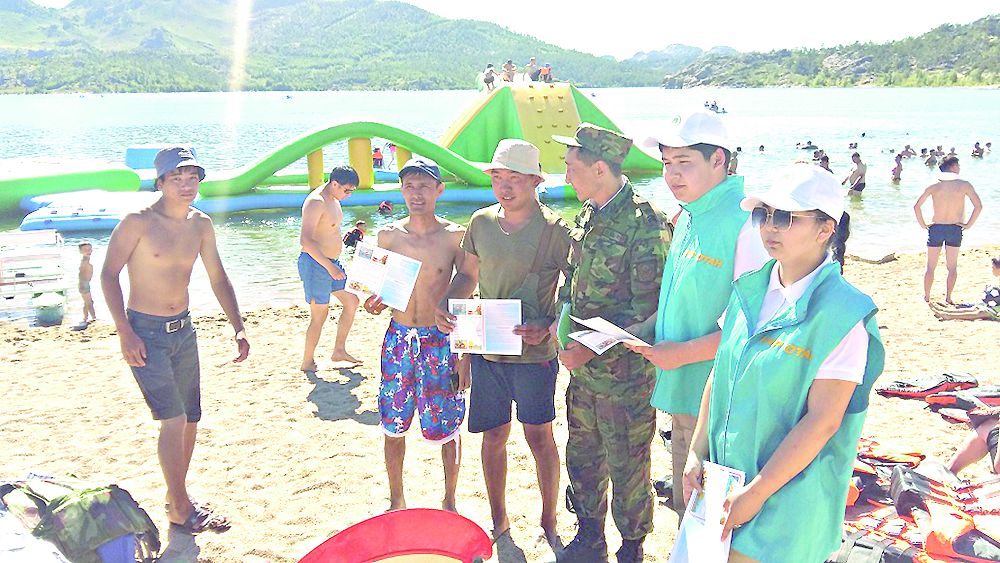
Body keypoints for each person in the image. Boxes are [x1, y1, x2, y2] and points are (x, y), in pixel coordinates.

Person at [683, 163, 884, 563]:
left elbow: (823, 421)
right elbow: (719, 373)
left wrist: (756, 493)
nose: (770, 227)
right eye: (765, 214)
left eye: (786, 217)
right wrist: (695, 451)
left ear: (826, 229)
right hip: (726, 481)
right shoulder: (750, 288)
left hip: (788, 494)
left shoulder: (843, 314)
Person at [101, 146, 248, 534]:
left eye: (192, 177)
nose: (186, 185)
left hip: (183, 330)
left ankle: (176, 499)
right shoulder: (138, 222)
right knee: (174, 418)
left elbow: (218, 277)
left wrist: (238, 325)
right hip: (145, 333)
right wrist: (125, 332)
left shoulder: (201, 225)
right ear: (161, 182)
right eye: (177, 178)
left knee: (191, 419)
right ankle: (182, 509)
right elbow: (108, 275)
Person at [632, 110, 770, 522]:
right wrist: (647, 329)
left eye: (684, 162)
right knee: (687, 505)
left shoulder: (747, 225)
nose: (672, 174)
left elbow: (752, 327)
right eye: (666, 163)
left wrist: (681, 354)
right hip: (682, 389)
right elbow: (682, 296)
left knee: (711, 518)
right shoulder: (689, 215)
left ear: (719, 160)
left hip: (720, 402)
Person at [435, 140, 573, 550]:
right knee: (492, 436)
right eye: (498, 177)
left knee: (540, 437)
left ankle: (549, 519)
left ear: (535, 181)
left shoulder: (556, 230)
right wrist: (447, 304)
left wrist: (550, 325)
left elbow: (575, 289)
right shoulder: (480, 222)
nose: (505, 186)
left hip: (535, 356)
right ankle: (500, 520)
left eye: (515, 178)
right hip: (486, 348)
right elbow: (467, 276)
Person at [551, 124, 672, 562]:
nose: (566, 176)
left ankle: (632, 547)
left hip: (625, 379)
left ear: (600, 168)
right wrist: (560, 325)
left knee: (628, 468)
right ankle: (589, 537)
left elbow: (649, 312)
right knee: (583, 456)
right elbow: (573, 281)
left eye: (572, 167)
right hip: (584, 375)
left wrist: (591, 346)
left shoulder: (645, 223)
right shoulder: (589, 213)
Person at [361, 158, 468, 514]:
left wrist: (465, 353)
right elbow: (373, 291)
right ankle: (397, 499)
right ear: (401, 190)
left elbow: (469, 288)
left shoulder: (454, 236)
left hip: (440, 339)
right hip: (399, 337)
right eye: (409, 186)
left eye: (424, 186)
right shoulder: (388, 236)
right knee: (393, 422)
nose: (416, 193)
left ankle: (450, 499)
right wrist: (372, 303)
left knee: (449, 423)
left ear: (439, 189)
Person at [298, 166, 362, 371]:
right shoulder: (316, 202)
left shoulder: (334, 199)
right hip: (316, 264)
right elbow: (306, 241)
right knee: (320, 315)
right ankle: (307, 361)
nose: (349, 195)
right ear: (335, 184)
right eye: (347, 190)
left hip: (332, 263)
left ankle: (339, 351)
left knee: (352, 301)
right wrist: (329, 267)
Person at [913, 156, 983, 303]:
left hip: (936, 228)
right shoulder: (964, 185)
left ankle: (927, 296)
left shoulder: (934, 185)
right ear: (952, 167)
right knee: (952, 267)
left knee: (930, 266)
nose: (959, 168)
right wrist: (968, 224)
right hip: (954, 228)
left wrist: (923, 224)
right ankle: (948, 297)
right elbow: (978, 206)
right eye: (958, 165)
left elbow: (917, 206)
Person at [78, 241, 96, 325]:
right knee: (90, 303)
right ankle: (94, 318)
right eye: (85, 250)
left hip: (86, 283)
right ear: (81, 251)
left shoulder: (87, 259)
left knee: (87, 303)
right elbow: (81, 273)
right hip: (83, 284)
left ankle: (85, 318)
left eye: (89, 249)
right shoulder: (84, 260)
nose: (88, 251)